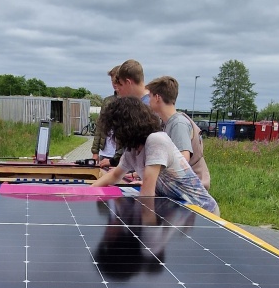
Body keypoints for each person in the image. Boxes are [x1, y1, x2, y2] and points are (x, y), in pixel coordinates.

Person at [91, 96, 219, 215]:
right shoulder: (132, 151)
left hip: (201, 211)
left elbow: (148, 192)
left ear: (126, 126)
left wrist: (146, 231)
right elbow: (114, 175)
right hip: (177, 209)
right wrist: (84, 192)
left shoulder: (156, 140)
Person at [146, 75, 211, 189]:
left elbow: (183, 161)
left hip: (191, 190)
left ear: (157, 97)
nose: (148, 101)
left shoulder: (178, 124)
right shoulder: (169, 123)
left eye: (149, 97)